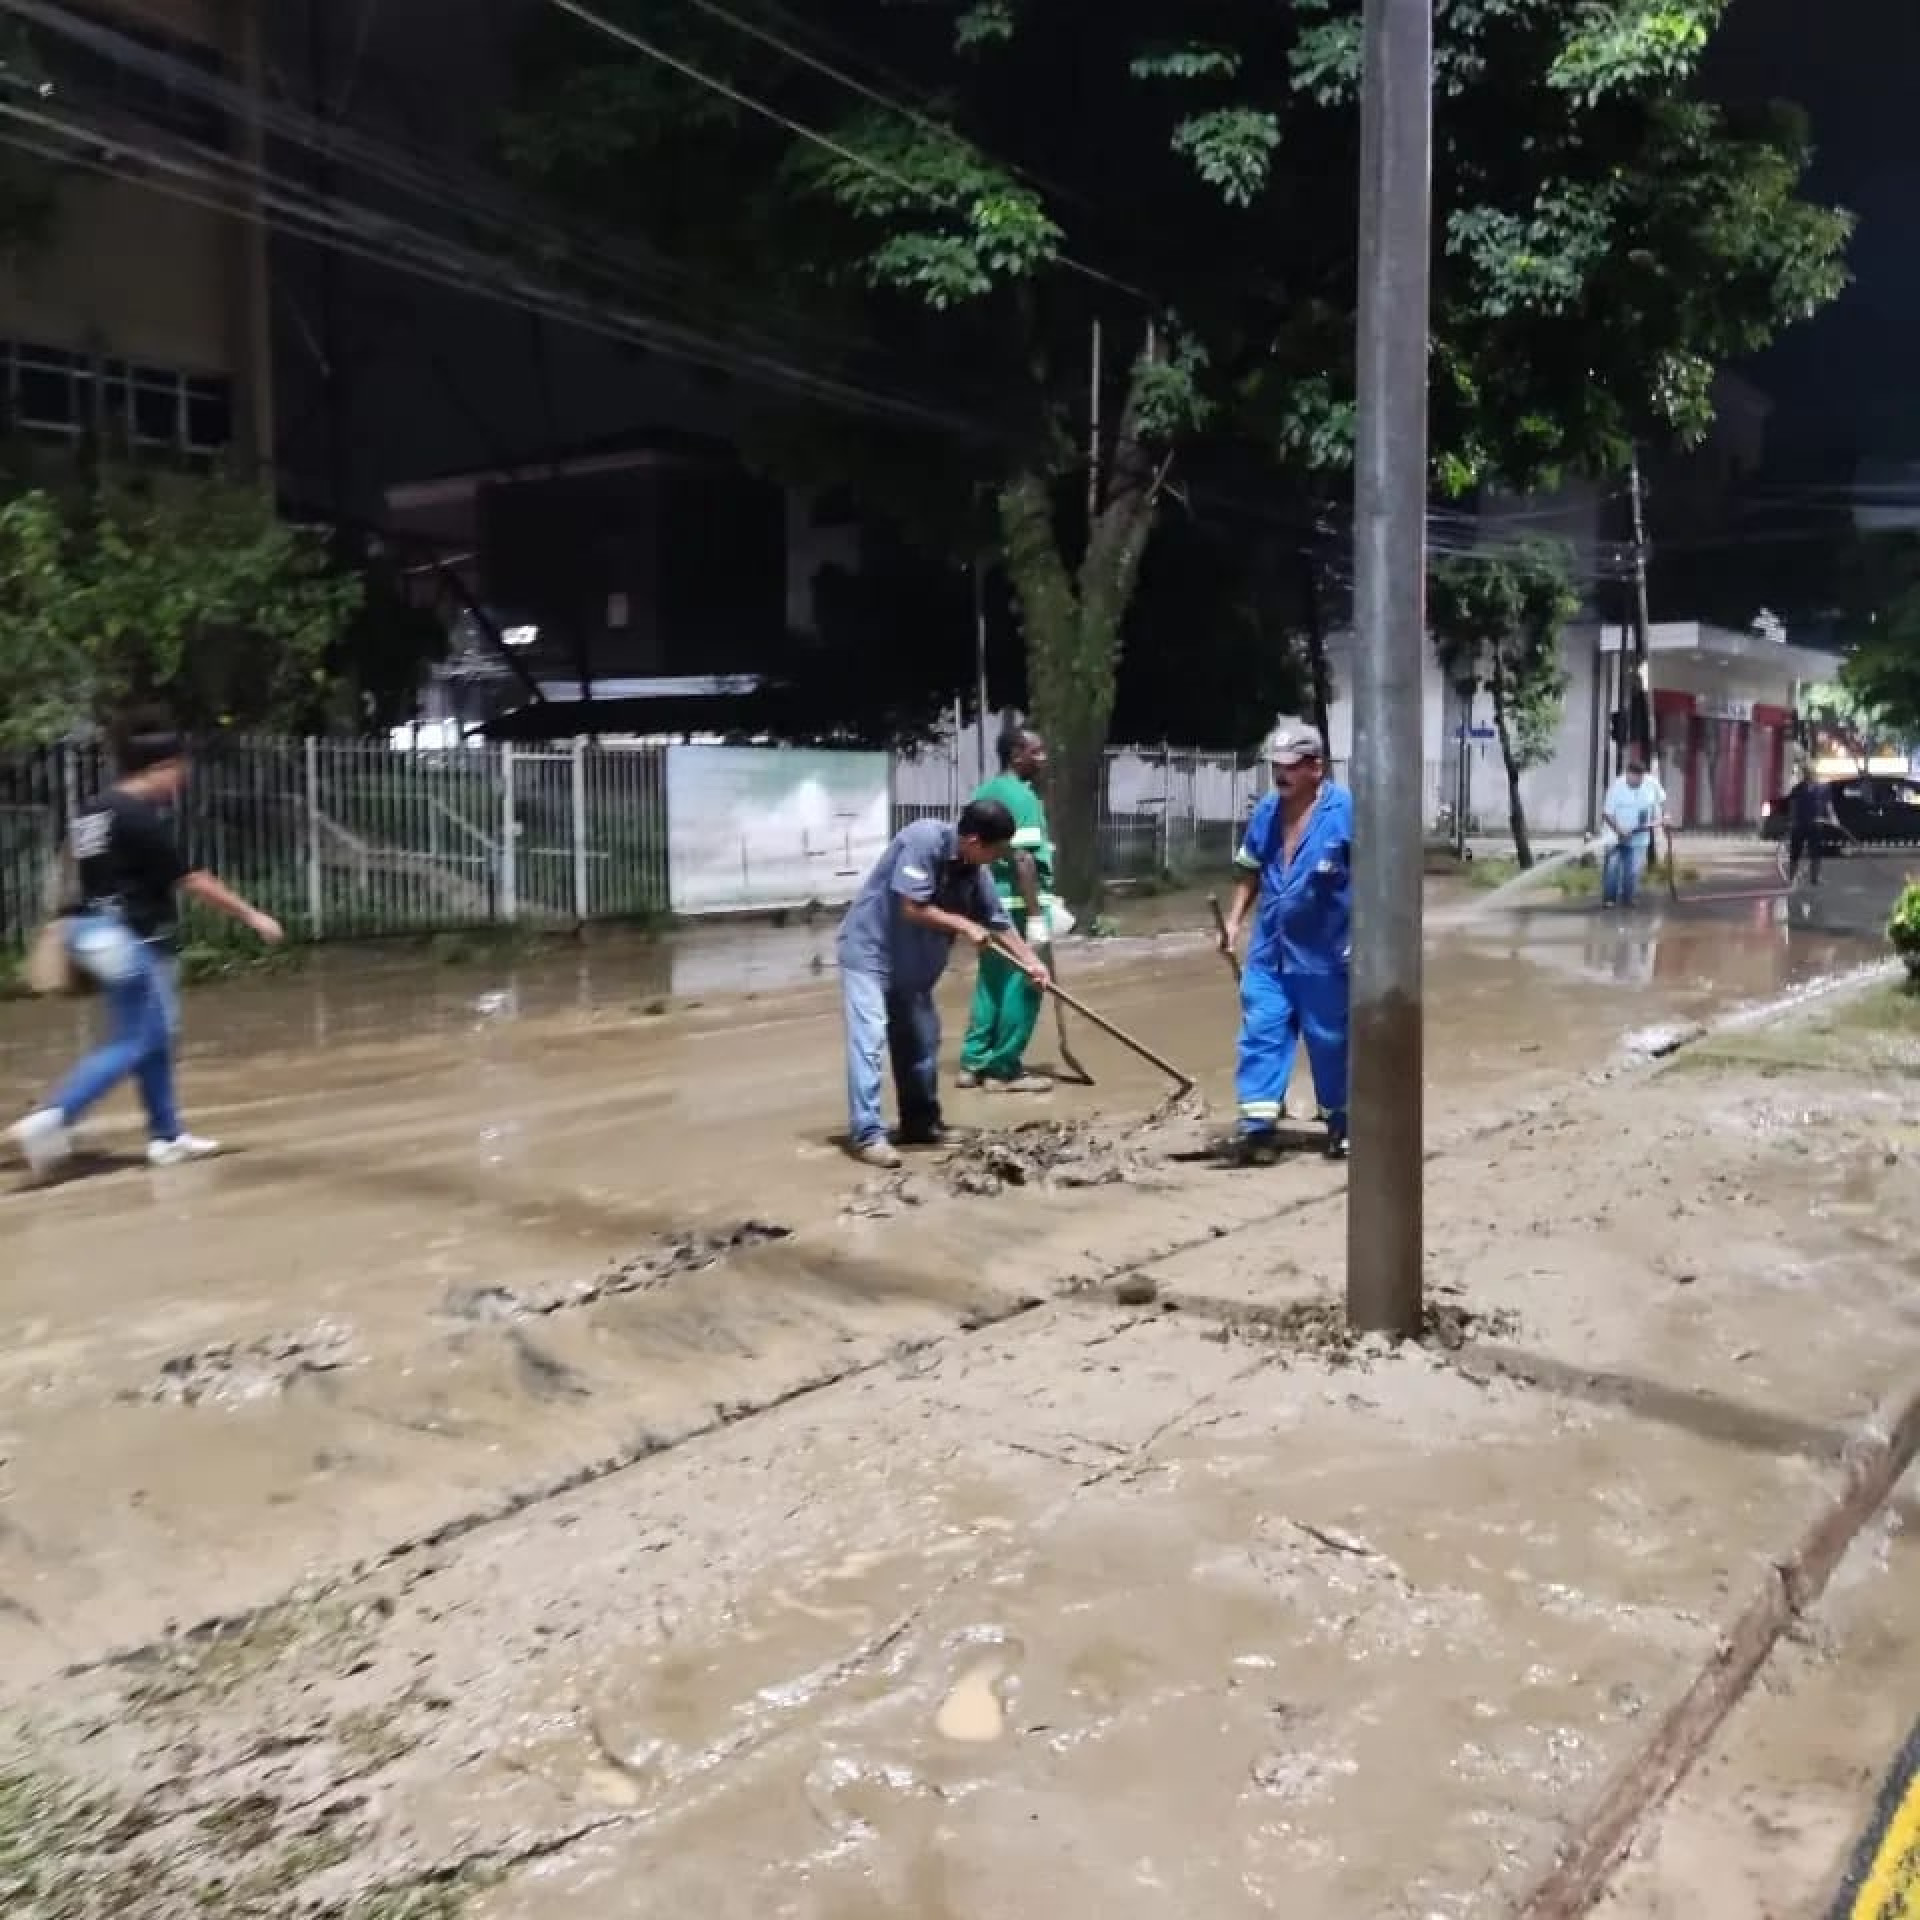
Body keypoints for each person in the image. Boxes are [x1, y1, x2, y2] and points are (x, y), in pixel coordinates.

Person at [7, 726, 285, 1179]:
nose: (181, 781)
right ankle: (54, 1116)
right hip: (126, 936)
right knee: (135, 1040)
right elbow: (191, 878)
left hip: (89, 930)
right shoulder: (136, 816)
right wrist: (253, 916)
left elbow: (73, 871)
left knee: (154, 1035)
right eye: (179, 771)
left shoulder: (92, 811)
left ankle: (167, 1137)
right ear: (159, 768)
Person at [836, 798, 1051, 1169]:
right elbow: (911, 906)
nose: (996, 859)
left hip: (914, 969)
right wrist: (964, 925)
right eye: (995, 850)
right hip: (870, 955)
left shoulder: (975, 871)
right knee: (869, 1041)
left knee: (921, 1042)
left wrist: (1031, 963)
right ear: (973, 841)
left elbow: (998, 922)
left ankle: (920, 1126)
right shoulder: (922, 841)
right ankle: (867, 1135)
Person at [1219, 722, 1352, 1164]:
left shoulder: (1346, 813)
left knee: (1330, 1042)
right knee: (1261, 1033)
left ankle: (1341, 1124)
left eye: (1291, 766)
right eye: (1276, 766)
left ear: (1316, 767)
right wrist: (1234, 922)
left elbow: (1376, 881)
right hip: (1269, 952)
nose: (1281, 774)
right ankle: (1257, 1130)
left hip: (1325, 956)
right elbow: (1250, 869)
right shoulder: (1267, 813)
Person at [958, 726, 1057, 1094]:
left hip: (985, 903)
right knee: (1026, 983)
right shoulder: (1023, 798)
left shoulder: (982, 793)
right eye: (1037, 752)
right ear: (1017, 754)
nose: (1043, 759)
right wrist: (1035, 916)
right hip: (1018, 904)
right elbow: (1023, 858)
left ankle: (973, 1062)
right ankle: (1003, 1069)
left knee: (990, 983)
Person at [1601, 759, 1661, 907]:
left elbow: (1660, 801)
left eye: (1639, 779)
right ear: (1627, 774)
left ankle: (1628, 898)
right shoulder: (1616, 787)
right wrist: (1619, 831)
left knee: (1633, 870)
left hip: (1639, 837)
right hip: (1615, 835)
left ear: (1643, 776)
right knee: (1612, 867)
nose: (1636, 782)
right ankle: (1609, 899)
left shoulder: (1651, 784)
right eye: (1633, 779)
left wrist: (1662, 818)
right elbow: (1607, 813)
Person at [1784, 764, 1835, 886]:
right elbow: (1792, 806)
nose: (1808, 775)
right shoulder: (1797, 788)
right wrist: (1791, 821)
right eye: (1806, 772)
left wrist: (1833, 818)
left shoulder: (1822, 788)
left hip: (1816, 824)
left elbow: (1828, 805)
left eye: (1810, 772)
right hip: (1800, 825)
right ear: (1804, 774)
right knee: (1795, 852)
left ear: (1814, 773)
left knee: (1816, 853)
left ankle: (1815, 878)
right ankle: (1791, 878)